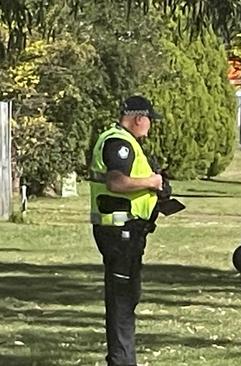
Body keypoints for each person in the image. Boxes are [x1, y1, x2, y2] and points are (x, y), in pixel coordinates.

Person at [89, 95, 163, 366]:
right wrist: (152, 182)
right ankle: (121, 361)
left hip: (126, 231)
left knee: (127, 298)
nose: (150, 127)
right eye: (150, 121)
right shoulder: (119, 143)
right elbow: (116, 183)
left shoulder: (122, 141)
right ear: (139, 118)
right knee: (121, 301)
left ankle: (124, 358)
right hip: (119, 232)